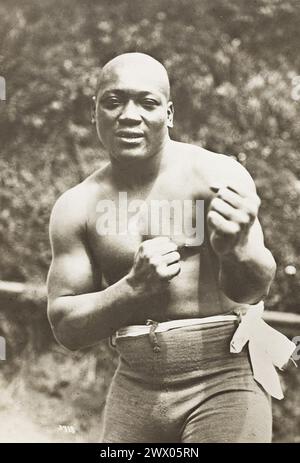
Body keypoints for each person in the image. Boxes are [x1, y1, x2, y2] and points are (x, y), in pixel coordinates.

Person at [46, 52, 293, 443]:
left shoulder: (216, 176)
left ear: (170, 113)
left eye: (147, 102)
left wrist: (236, 248)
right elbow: (66, 327)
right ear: (94, 113)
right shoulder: (77, 206)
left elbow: (253, 288)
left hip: (224, 378)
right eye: (113, 101)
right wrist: (130, 290)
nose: (129, 115)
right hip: (136, 381)